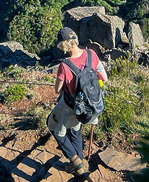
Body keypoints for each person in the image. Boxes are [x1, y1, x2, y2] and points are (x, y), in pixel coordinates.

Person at [47, 27, 107, 181]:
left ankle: (75, 160)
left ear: (63, 45)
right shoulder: (91, 54)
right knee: (75, 130)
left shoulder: (65, 65)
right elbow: (104, 78)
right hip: (88, 106)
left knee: (54, 127)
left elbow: (58, 90)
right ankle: (79, 167)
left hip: (70, 106)